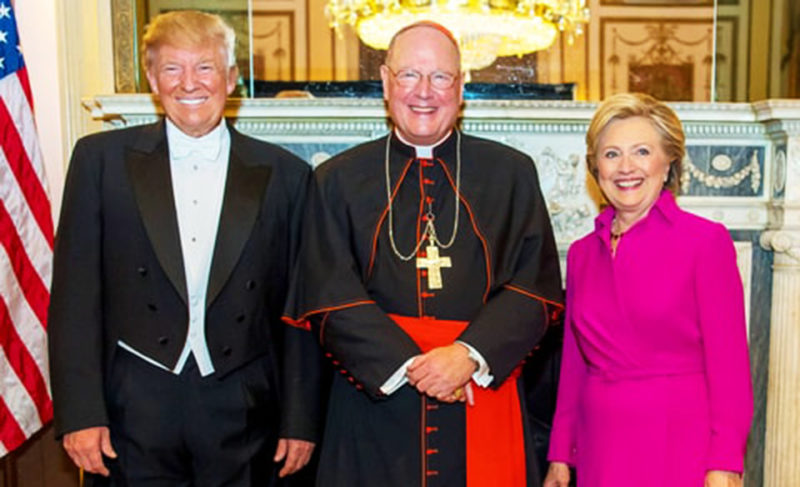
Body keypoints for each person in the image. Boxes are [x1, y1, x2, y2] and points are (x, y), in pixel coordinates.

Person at [283, 21, 564, 487]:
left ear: (461, 87)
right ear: (386, 82)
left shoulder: (510, 173)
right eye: (410, 75)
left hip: (479, 389)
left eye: (440, 77)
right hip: (375, 400)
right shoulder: (337, 179)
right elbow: (325, 291)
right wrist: (412, 365)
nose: (424, 92)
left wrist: (469, 355)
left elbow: (535, 285)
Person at [48, 10, 319, 486]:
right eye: (172, 68)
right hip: (133, 407)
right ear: (153, 80)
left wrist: (300, 420)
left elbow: (300, 310)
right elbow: (74, 300)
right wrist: (80, 413)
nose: (189, 83)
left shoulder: (287, 175)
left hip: (245, 407)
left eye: (205, 67)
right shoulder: (100, 162)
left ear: (231, 79)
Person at [544, 93, 753, 487]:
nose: (626, 167)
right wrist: (560, 452)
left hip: (678, 442)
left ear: (668, 161)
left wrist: (725, 463)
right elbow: (574, 363)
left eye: (642, 151)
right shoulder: (583, 253)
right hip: (600, 445)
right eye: (612, 154)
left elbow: (730, 368)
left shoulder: (705, 242)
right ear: (596, 167)